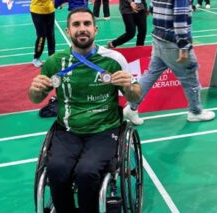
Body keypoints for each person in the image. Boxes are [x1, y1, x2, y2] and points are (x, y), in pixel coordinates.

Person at [28, 8, 141, 213]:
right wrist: (34, 90)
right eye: (76, 25)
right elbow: (36, 98)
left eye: (87, 24)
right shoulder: (55, 62)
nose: (82, 29)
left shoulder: (114, 60)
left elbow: (136, 97)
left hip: (104, 129)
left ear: (95, 30)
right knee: (56, 169)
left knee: (87, 172)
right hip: (67, 130)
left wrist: (129, 87)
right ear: (68, 30)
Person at [123, 0, 215, 125]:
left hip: (158, 39)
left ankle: (131, 107)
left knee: (151, 74)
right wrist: (183, 45)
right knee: (190, 77)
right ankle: (196, 112)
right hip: (174, 43)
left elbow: (151, 8)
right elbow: (180, 18)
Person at [30, 0, 55, 67]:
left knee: (51, 35)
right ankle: (36, 58)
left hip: (50, 10)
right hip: (37, 11)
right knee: (42, 35)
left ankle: (52, 57)